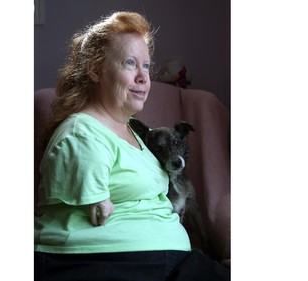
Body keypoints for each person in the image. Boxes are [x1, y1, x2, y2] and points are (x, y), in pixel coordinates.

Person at [34, 11, 230, 281]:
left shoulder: (133, 133)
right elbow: (84, 162)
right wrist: (98, 195)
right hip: (111, 260)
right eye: (130, 63)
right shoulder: (82, 129)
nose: (143, 77)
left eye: (146, 66)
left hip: (163, 259)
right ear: (95, 69)